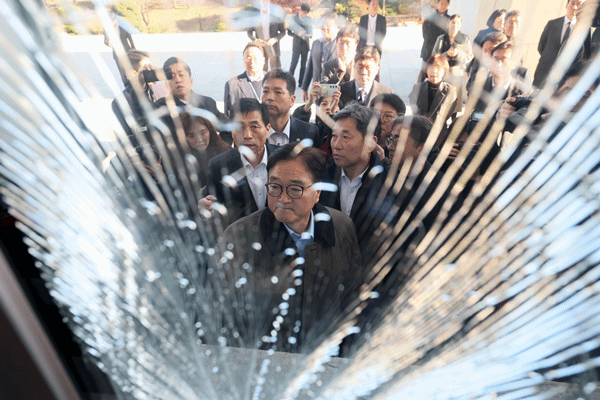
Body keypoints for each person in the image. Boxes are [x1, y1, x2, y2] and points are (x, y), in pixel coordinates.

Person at [217, 143, 362, 353]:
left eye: (295, 189)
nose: (283, 199)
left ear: (317, 192)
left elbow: (352, 299)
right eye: (275, 187)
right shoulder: (238, 237)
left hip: (323, 357)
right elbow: (222, 314)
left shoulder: (341, 227)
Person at [319, 103, 388, 261]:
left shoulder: (389, 184)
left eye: (345, 137)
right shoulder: (320, 180)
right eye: (334, 136)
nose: (336, 145)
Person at [198, 98, 278, 226]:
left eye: (254, 127)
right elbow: (209, 202)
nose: (247, 135)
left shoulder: (284, 159)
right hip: (240, 235)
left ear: (267, 129)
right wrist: (204, 208)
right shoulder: (219, 165)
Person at [154, 57, 231, 143]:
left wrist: (220, 148)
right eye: (172, 77)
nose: (178, 80)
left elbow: (228, 128)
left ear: (191, 81)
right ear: (166, 84)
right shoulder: (161, 107)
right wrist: (143, 85)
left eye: (181, 75)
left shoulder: (207, 103)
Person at [533, 0, 591, 88]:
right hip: (543, 75)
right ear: (567, 5)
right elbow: (541, 47)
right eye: (572, 3)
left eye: (578, 4)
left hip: (565, 81)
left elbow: (586, 55)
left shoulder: (585, 29)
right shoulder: (552, 24)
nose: (575, 7)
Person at [261, 69, 321, 147]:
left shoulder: (309, 133)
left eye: (278, 92)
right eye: (265, 91)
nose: (270, 97)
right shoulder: (252, 132)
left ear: (292, 100)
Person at [409, 54, 457, 146]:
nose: (434, 71)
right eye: (430, 67)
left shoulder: (451, 91)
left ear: (445, 72)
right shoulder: (417, 89)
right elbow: (414, 114)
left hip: (439, 137)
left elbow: (453, 119)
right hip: (419, 137)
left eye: (438, 68)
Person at [431, 14, 473, 111]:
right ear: (448, 24)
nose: (455, 25)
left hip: (457, 73)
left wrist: (458, 54)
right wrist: (446, 54)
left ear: (461, 25)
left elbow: (470, 56)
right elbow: (434, 55)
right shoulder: (441, 38)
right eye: (453, 22)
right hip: (442, 73)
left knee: (455, 101)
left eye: (458, 23)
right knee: (441, 100)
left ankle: (454, 117)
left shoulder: (465, 39)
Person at [179, 112, 230, 186]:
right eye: (192, 136)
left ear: (210, 131)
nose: (199, 140)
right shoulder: (179, 161)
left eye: (202, 133)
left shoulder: (226, 152)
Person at [301, 12, 338, 101]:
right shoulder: (316, 43)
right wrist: (304, 88)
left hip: (333, 92)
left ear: (336, 26)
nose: (324, 27)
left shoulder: (340, 45)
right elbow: (310, 67)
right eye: (322, 24)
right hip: (317, 90)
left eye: (328, 24)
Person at [223, 42, 266, 119]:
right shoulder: (232, 85)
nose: (252, 62)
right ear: (243, 60)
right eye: (248, 58)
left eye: (256, 58)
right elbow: (229, 117)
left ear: (263, 60)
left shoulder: (272, 81)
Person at [247, 0, 286, 70]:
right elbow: (249, 32)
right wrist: (256, 40)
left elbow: (283, 32)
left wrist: (275, 39)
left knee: (276, 71)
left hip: (273, 47)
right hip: (261, 47)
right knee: (262, 71)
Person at [418, 0, 450, 82]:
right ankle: (418, 89)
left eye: (445, 4)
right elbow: (424, 33)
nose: (443, 5)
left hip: (442, 52)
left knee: (439, 74)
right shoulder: (430, 17)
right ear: (437, 4)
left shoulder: (449, 19)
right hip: (428, 50)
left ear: (448, 5)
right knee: (423, 72)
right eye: (441, 3)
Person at [104, 16, 135, 85]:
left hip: (127, 52)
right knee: (122, 74)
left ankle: (134, 85)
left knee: (131, 70)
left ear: (116, 20)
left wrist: (134, 49)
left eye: (113, 21)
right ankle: (127, 87)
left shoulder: (123, 27)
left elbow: (129, 38)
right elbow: (105, 41)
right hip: (117, 54)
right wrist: (109, 43)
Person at [287, 3, 313, 87]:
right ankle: (289, 82)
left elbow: (311, 32)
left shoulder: (309, 19)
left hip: (305, 44)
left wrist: (308, 34)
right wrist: (297, 34)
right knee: (293, 63)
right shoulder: (294, 18)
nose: (305, 14)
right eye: (304, 12)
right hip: (296, 45)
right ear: (300, 10)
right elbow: (289, 32)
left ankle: (301, 83)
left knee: (303, 65)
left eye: (306, 13)